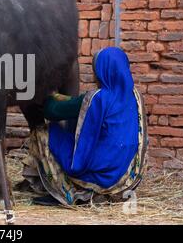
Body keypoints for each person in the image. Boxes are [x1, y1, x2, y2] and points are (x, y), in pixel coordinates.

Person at [20, 47, 148, 206]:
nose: (95, 75)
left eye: (95, 70)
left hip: (103, 174)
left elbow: (52, 111)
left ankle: (61, 191)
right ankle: (109, 193)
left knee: (41, 134)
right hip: (126, 176)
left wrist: (48, 95)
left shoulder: (98, 99)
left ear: (103, 71)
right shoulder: (136, 96)